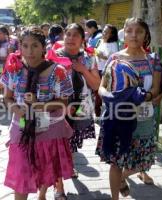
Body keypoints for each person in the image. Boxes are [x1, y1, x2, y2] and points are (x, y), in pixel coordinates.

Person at [1, 27, 74, 200]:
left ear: (44, 48)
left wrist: (39, 106)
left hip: (50, 131)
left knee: (45, 171)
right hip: (21, 128)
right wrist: (17, 110)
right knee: (21, 174)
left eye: (34, 46)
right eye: (25, 46)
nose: (29, 51)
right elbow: (8, 98)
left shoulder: (58, 72)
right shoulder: (14, 70)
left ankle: (42, 195)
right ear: (19, 47)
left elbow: (64, 102)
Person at [96, 17, 161, 200]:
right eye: (130, 31)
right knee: (116, 163)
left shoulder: (153, 60)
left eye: (139, 31)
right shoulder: (115, 58)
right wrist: (106, 96)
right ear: (124, 33)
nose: (134, 35)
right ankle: (114, 197)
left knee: (142, 162)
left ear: (145, 35)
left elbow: (156, 89)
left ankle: (124, 178)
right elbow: (102, 86)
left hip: (143, 121)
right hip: (118, 118)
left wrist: (142, 97)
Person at [56, 23, 100, 177]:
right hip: (58, 105)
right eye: (68, 34)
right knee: (58, 138)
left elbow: (96, 84)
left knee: (72, 136)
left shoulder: (88, 58)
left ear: (82, 39)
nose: (71, 38)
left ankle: (69, 164)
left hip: (80, 104)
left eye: (76, 35)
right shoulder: (54, 56)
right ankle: (60, 175)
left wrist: (82, 70)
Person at [94, 24, 119, 116]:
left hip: (106, 72)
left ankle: (103, 113)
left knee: (102, 92)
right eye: (103, 31)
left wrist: (102, 56)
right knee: (96, 92)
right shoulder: (101, 41)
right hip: (97, 69)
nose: (103, 33)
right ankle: (97, 113)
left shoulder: (113, 44)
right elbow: (96, 52)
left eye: (106, 32)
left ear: (112, 34)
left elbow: (114, 58)